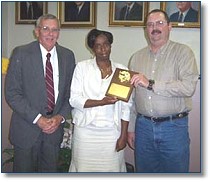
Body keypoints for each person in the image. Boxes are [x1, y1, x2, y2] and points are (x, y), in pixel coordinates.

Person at [127, 9, 199, 173]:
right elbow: (132, 98)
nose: (154, 28)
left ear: (170, 26)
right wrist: (131, 128)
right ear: (146, 29)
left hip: (173, 128)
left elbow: (188, 87)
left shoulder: (183, 53)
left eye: (159, 23)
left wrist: (150, 83)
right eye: (150, 24)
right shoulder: (136, 58)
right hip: (143, 127)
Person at [5, 14, 76, 172]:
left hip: (53, 131)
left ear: (59, 32)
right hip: (26, 130)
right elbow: (12, 93)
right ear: (37, 32)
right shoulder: (21, 53)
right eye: (45, 29)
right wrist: (38, 119)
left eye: (55, 29)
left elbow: (71, 94)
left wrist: (59, 117)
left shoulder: (68, 56)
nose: (50, 34)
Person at [69, 29, 133, 172]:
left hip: (112, 133)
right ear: (92, 48)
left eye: (106, 44)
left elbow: (126, 108)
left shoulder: (122, 71)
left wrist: (123, 135)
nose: (103, 48)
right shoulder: (82, 67)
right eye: (98, 45)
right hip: (85, 132)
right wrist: (102, 102)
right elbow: (74, 100)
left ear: (111, 46)